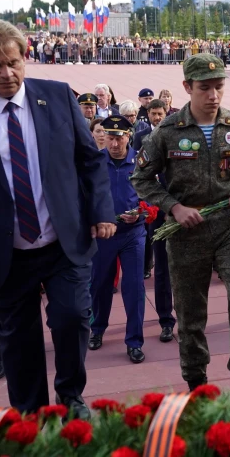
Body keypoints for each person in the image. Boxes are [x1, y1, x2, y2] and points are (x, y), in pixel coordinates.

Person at [0, 20, 115, 417]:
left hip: (63, 240)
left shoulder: (58, 96)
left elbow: (90, 161)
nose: (6, 74)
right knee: (18, 340)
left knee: (71, 318)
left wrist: (101, 210)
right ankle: (31, 414)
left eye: (13, 63)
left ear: (25, 58)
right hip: (5, 251)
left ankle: (70, 395)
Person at [131, 53, 230, 392]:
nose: (214, 95)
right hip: (187, 233)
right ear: (188, 87)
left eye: (219, 87)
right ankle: (197, 384)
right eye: (205, 88)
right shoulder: (167, 132)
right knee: (190, 317)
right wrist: (173, 207)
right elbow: (141, 178)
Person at [86, 116, 147, 363]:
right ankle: (97, 329)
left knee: (134, 287)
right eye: (109, 137)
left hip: (133, 234)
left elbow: (154, 194)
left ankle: (134, 341)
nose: (113, 143)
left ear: (128, 136)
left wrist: (142, 211)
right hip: (104, 235)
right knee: (99, 285)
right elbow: (86, 196)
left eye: (119, 137)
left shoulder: (142, 162)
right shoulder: (96, 161)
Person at [130, 100, 175, 340]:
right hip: (158, 211)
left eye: (161, 114)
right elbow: (141, 176)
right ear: (148, 114)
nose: (158, 118)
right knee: (162, 268)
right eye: (154, 114)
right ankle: (166, 319)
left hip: (180, 209)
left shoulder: (178, 136)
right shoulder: (141, 138)